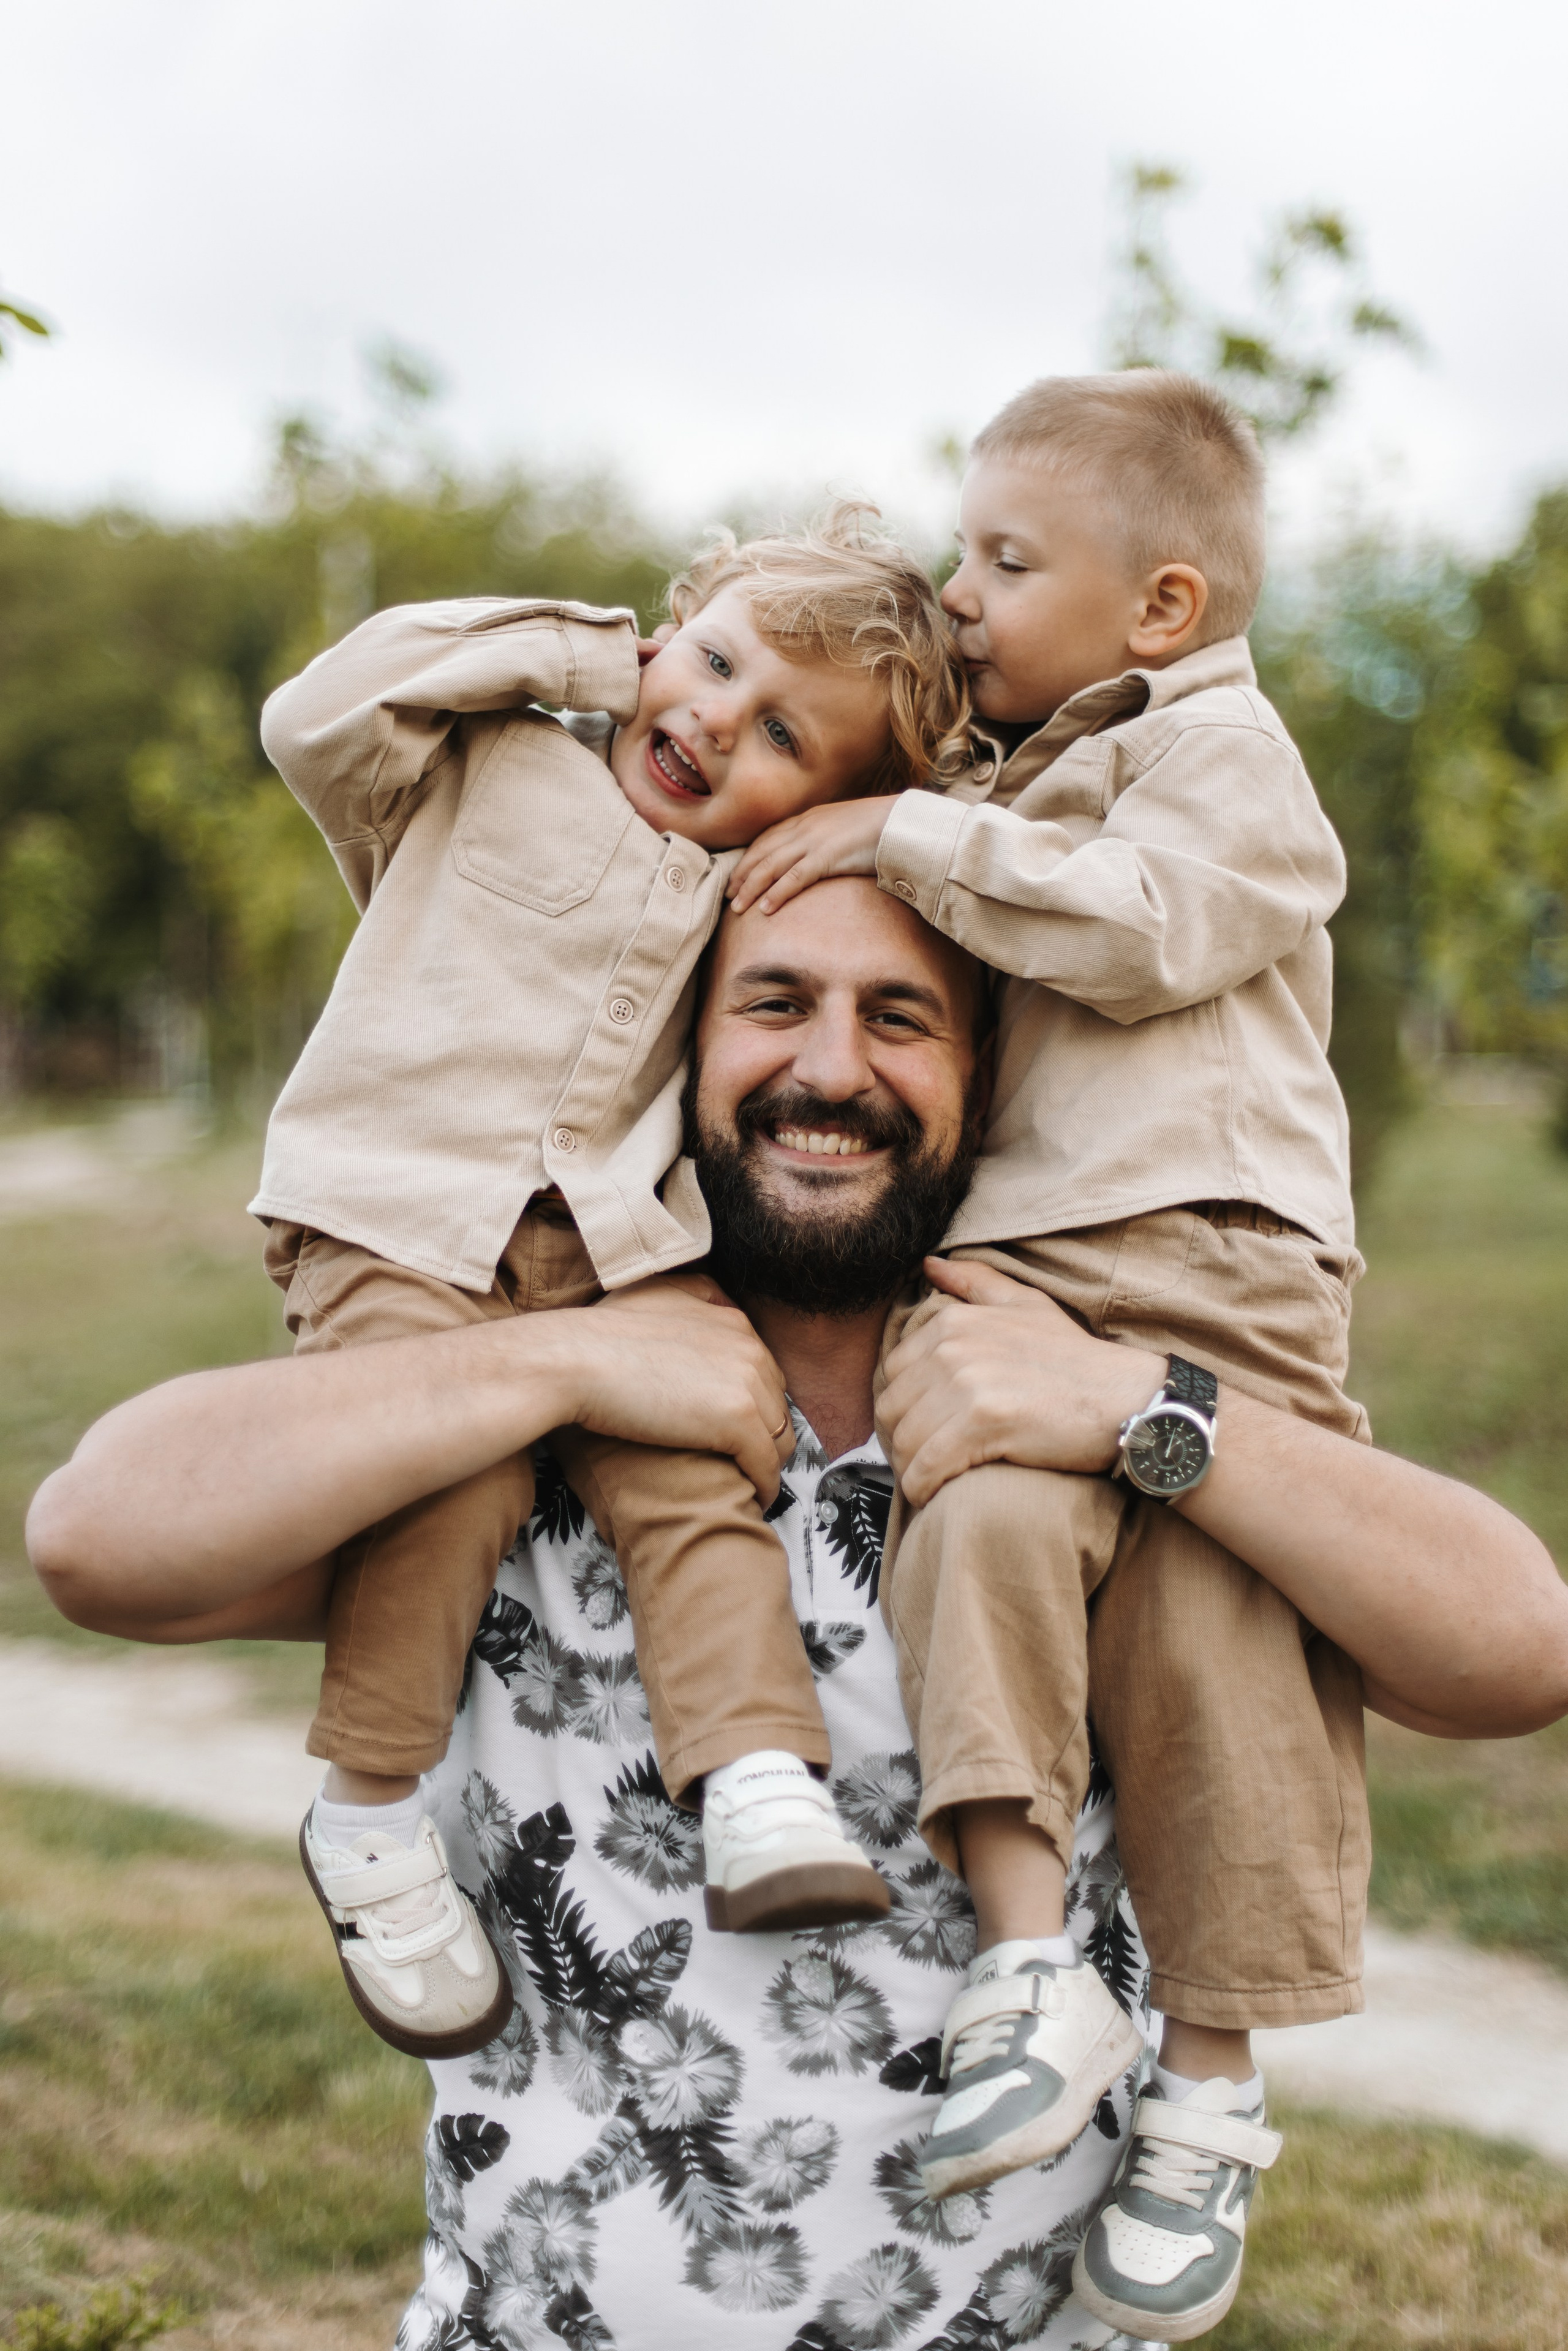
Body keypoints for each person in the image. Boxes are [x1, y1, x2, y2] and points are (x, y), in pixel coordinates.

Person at [28, 882, 1568, 2351]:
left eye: (900, 1016)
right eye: (773, 1002)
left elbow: (1513, 1652)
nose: (830, 1067)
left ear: (988, 1073)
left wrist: (1134, 1401)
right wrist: (556, 1366)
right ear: (682, 1049)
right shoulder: (524, 1452)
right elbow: (96, 1541)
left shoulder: (1074, 1444)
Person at [720, 371, 1416, 2336]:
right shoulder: (1019, 769)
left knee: (1223, 1634)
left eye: (1005, 562)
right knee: (979, 1537)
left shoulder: (1223, 759)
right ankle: (1037, 1967)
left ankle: (1211, 2079)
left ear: (1165, 610)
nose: (962, 595)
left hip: (1213, 1264)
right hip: (1040, 1281)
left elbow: (1147, 928)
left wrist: (920, 826)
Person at [246, 505, 970, 2064]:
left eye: (778, 730)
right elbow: (309, 714)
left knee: (694, 1461)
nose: (711, 718)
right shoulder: (482, 761)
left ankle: (760, 1780)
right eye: (709, 659)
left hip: (602, 1258)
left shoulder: (746, 898)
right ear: (662, 629)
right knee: (447, 1472)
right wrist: (589, 647)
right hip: (398, 1217)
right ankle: (369, 1811)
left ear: (824, 807)